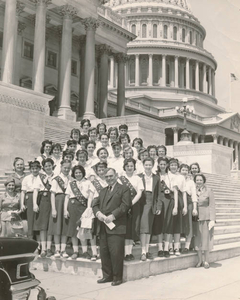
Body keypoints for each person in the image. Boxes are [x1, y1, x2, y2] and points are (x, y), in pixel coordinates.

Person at [92, 168, 131, 286]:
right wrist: (98, 213)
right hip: (103, 226)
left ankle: (117, 277)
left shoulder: (124, 189)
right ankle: (107, 276)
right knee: (104, 252)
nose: (109, 178)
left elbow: (125, 205)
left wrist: (113, 216)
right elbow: (95, 204)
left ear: (116, 175)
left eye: (111, 176)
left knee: (116, 253)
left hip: (116, 226)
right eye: (107, 176)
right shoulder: (103, 191)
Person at [64, 165, 97, 260]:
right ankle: (75, 251)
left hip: (84, 208)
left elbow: (90, 196)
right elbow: (67, 197)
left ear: (83, 173)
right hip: (72, 207)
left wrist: (89, 208)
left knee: (85, 229)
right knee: (74, 230)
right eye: (76, 173)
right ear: (73, 174)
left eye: (80, 172)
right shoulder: (71, 184)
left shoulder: (88, 182)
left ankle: (85, 251)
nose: (78, 174)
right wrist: (65, 210)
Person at [118, 158, 144, 261]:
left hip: (134, 205)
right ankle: (125, 253)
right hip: (123, 206)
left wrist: (131, 203)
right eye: (128, 166)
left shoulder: (137, 178)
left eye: (131, 166)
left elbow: (139, 193)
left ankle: (129, 253)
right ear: (124, 167)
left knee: (132, 229)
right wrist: (125, 205)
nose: (129, 168)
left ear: (134, 167)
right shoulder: (120, 179)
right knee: (125, 228)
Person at [138, 157, 163, 261]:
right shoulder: (139, 176)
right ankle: (143, 251)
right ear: (143, 165)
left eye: (150, 165)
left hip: (152, 203)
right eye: (146, 164)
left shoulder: (156, 178)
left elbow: (159, 194)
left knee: (148, 228)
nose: (148, 166)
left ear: (153, 166)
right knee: (144, 228)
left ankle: (146, 250)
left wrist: (158, 206)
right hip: (141, 203)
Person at [48, 159, 71, 258]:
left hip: (67, 202)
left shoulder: (71, 178)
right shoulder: (56, 179)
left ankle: (63, 249)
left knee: (65, 227)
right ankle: (57, 250)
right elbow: (52, 194)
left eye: (68, 168)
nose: (66, 169)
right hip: (58, 202)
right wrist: (53, 208)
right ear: (61, 167)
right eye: (65, 167)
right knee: (56, 227)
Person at [164, 158, 188, 256]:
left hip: (179, 200)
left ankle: (176, 247)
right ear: (169, 166)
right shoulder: (166, 176)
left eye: (175, 165)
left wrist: (185, 206)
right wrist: (174, 206)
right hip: (169, 200)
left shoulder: (181, 177)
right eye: (172, 165)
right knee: (169, 224)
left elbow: (184, 192)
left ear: (178, 167)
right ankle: (169, 247)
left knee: (177, 225)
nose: (173, 167)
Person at [33, 158, 55, 258]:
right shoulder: (40, 177)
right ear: (43, 168)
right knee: (43, 226)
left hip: (53, 200)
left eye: (49, 165)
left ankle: (49, 248)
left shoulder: (56, 177)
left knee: (50, 225)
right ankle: (43, 249)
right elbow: (36, 191)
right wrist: (35, 204)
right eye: (46, 166)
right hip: (42, 201)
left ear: (53, 166)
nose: (48, 167)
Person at [194, 173, 215, 269]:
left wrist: (212, 219)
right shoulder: (192, 190)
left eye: (200, 180)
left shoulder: (209, 190)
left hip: (206, 218)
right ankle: (200, 261)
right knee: (198, 240)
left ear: (204, 181)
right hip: (195, 218)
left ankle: (206, 261)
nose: (198, 182)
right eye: (197, 180)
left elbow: (212, 205)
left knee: (206, 240)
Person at [179, 164, 198, 254]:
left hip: (189, 202)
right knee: (179, 223)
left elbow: (194, 194)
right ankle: (177, 246)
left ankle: (187, 246)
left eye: (186, 170)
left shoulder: (191, 182)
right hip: (179, 202)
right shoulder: (177, 179)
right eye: (183, 170)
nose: (184, 172)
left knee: (188, 224)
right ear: (180, 170)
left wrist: (194, 208)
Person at [21, 160, 41, 240]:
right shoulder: (26, 178)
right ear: (30, 169)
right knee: (30, 219)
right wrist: (22, 204)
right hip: (29, 198)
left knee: (38, 219)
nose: (35, 170)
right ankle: (30, 239)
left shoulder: (42, 177)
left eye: (36, 168)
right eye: (33, 168)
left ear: (39, 168)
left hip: (40, 197)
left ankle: (40, 242)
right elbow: (23, 191)